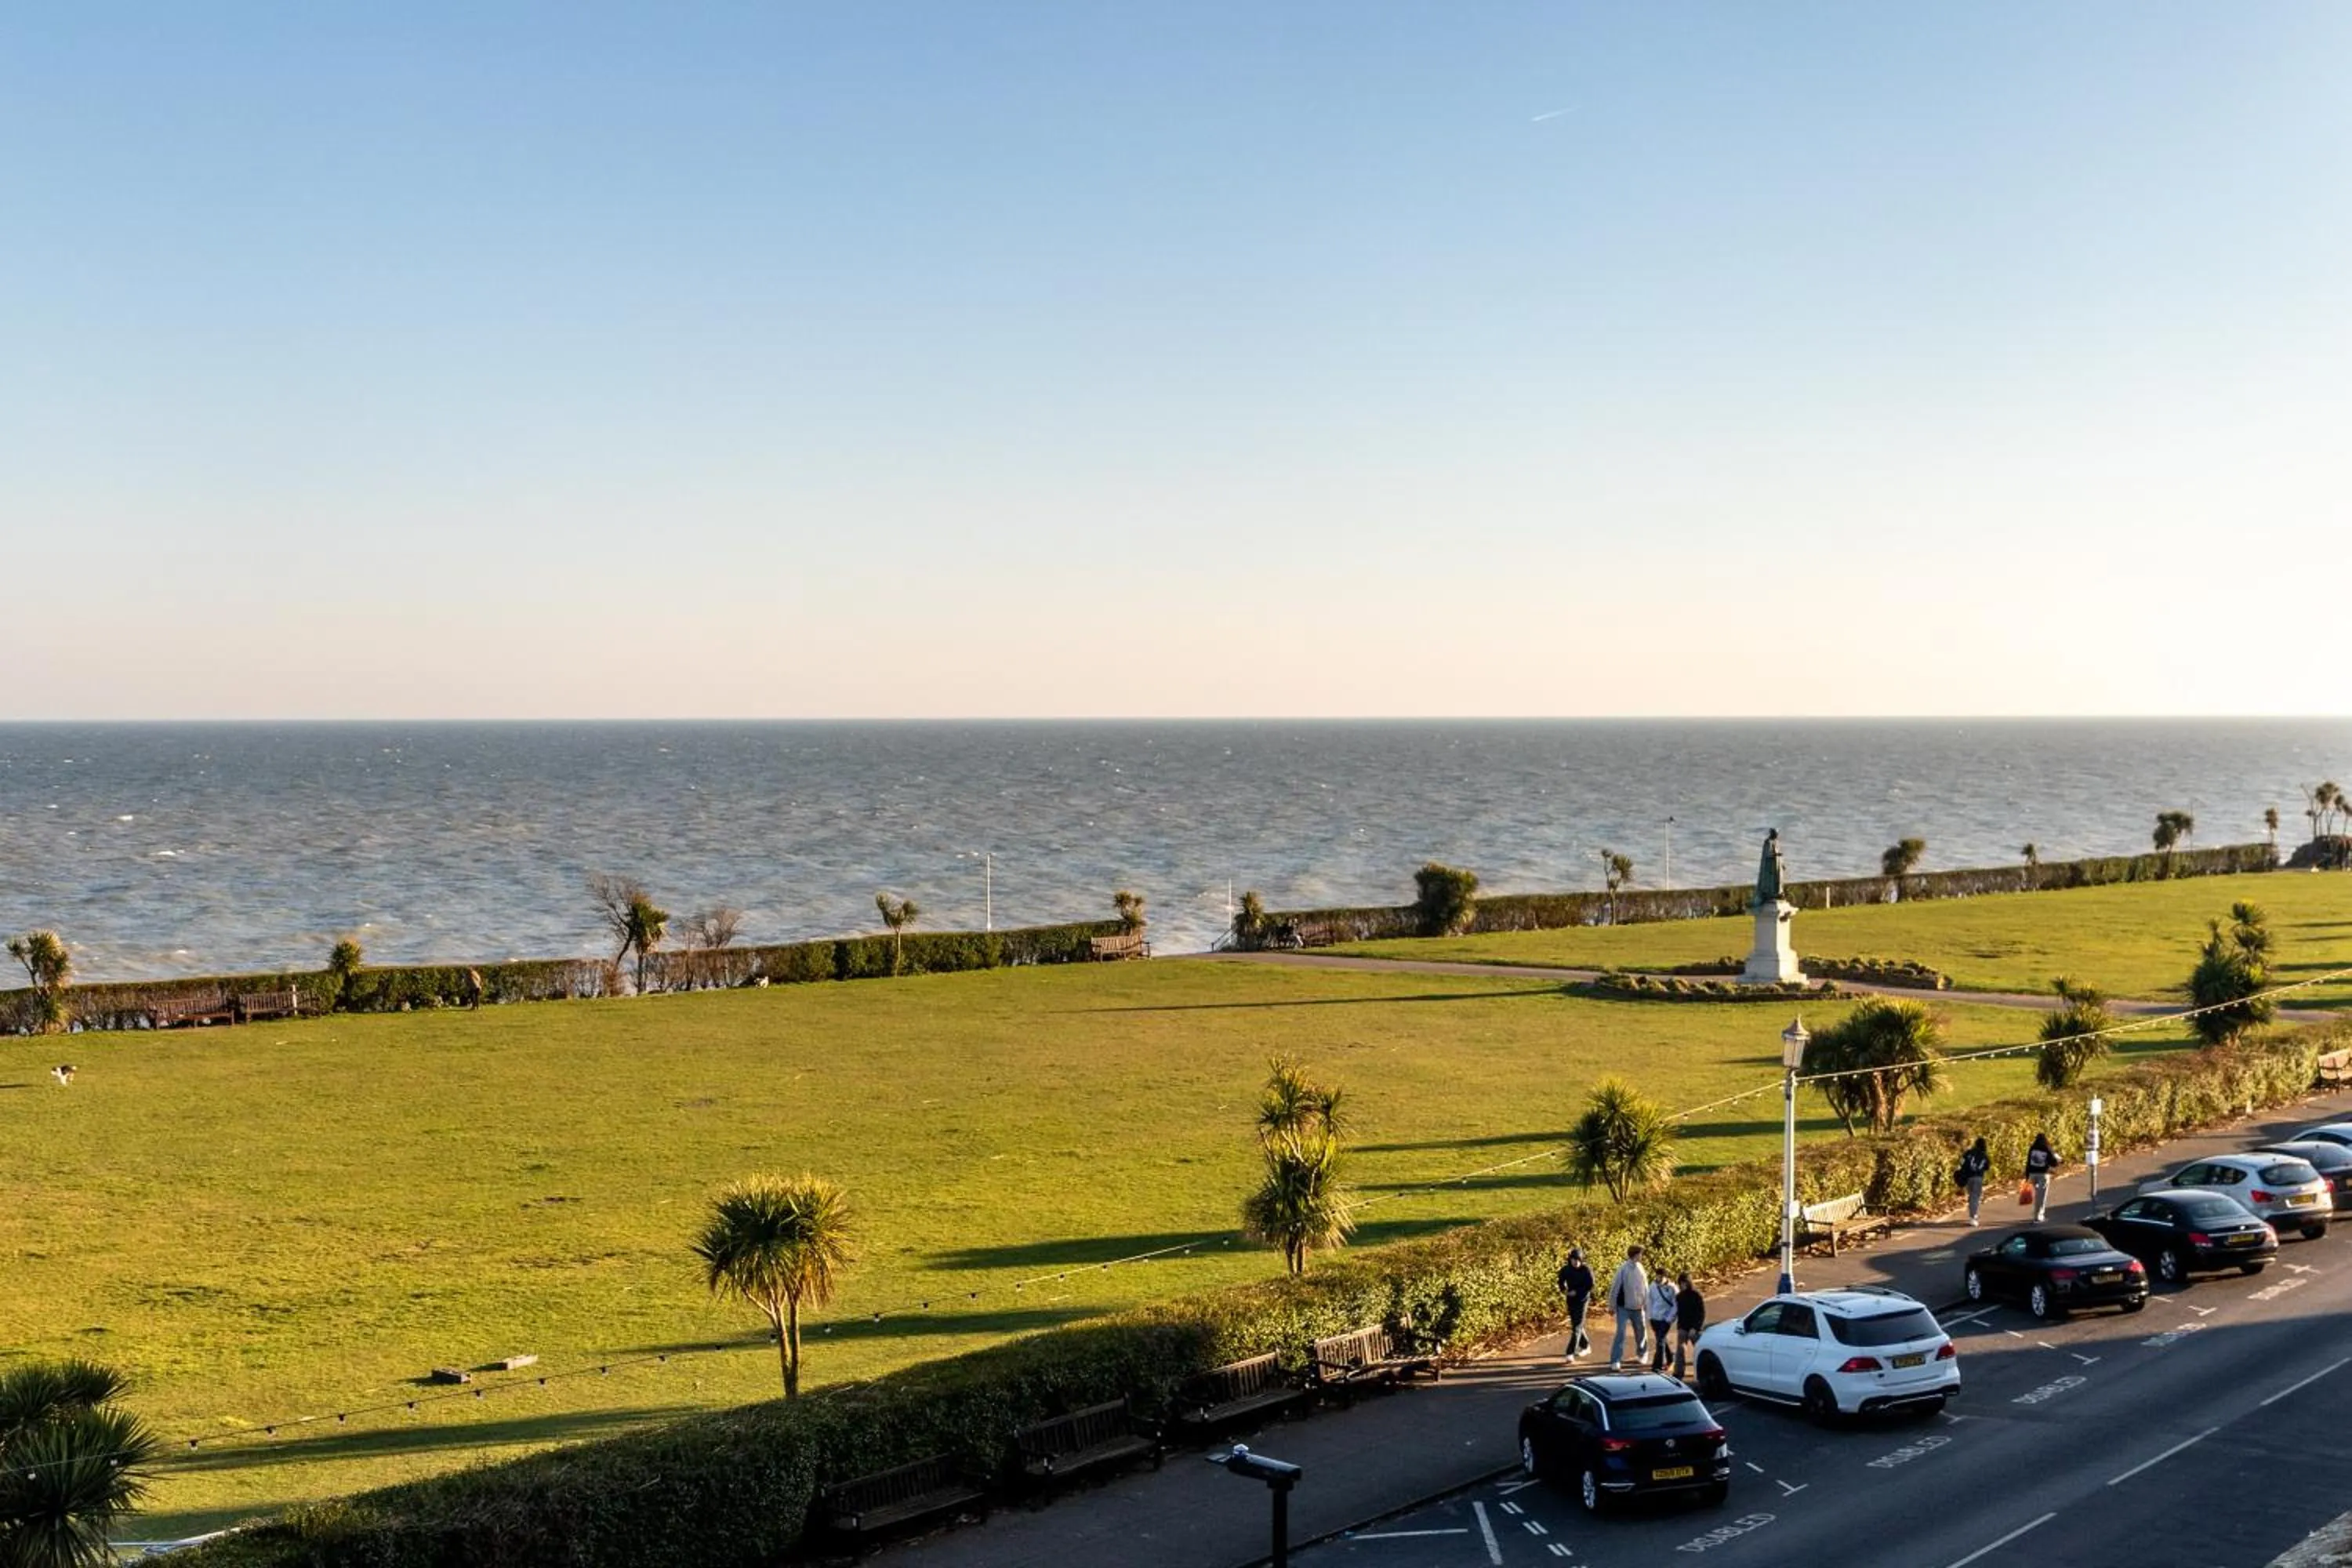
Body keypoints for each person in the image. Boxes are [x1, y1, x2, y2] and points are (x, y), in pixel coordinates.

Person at [1607, 1244, 1651, 1369]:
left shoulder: (1641, 1268)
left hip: (1638, 1307)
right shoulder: (1623, 1269)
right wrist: (1612, 1306)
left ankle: (1642, 1353)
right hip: (1624, 1307)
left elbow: (1645, 1288)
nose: (1642, 1256)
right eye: (1640, 1254)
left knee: (1641, 1331)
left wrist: (1647, 1305)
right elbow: (1615, 1287)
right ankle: (1616, 1360)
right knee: (1620, 1333)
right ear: (1635, 1255)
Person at [1555, 1247, 1595, 1361]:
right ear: (1570, 1260)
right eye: (1574, 1260)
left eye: (1578, 1260)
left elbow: (1591, 1286)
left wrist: (1577, 1292)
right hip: (1571, 1300)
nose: (1576, 1262)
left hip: (1583, 1300)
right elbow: (1560, 1281)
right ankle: (1586, 1346)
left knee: (1577, 1327)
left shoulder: (1586, 1270)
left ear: (1582, 1260)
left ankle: (1570, 1353)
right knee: (1576, 1325)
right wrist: (1565, 1291)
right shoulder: (1566, 1270)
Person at [1673, 1272, 1707, 1380]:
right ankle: (1679, 1372)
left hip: (1694, 1327)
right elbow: (1678, 1312)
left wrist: (1695, 1328)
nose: (1681, 1286)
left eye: (1683, 1284)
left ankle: (1703, 1371)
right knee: (1680, 1349)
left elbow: (1701, 1313)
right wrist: (1679, 1328)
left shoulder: (1696, 1296)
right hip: (1683, 1326)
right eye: (1680, 1284)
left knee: (1699, 1349)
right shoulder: (1679, 1297)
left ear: (1688, 1283)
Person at [1646, 1272, 1679, 1373]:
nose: (1658, 1278)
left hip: (1666, 1319)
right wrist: (1650, 1316)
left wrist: (1669, 1318)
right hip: (1655, 1318)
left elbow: (1676, 1304)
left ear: (1666, 1277)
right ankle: (1670, 1359)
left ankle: (1657, 1365)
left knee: (1660, 1341)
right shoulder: (1653, 1285)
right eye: (1657, 1276)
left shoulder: (1673, 1288)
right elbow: (1649, 1301)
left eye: (1661, 1276)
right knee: (1662, 1339)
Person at [1956, 1137, 1991, 1226]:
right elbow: (1987, 1167)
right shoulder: (1984, 1155)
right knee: (1975, 1198)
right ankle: (1973, 1217)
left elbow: (1961, 1162)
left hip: (1968, 1177)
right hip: (1978, 1178)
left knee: (1971, 1196)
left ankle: (1972, 1214)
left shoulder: (1969, 1153)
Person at [2026, 1133, 2058, 1221]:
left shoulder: (2032, 1148)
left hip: (2032, 1174)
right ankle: (2039, 1216)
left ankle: (2037, 1214)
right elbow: (2054, 1163)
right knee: (2042, 1196)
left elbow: (2028, 1162)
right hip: (2043, 1174)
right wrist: (2057, 1160)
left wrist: (2027, 1176)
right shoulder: (2047, 1148)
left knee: (2037, 1195)